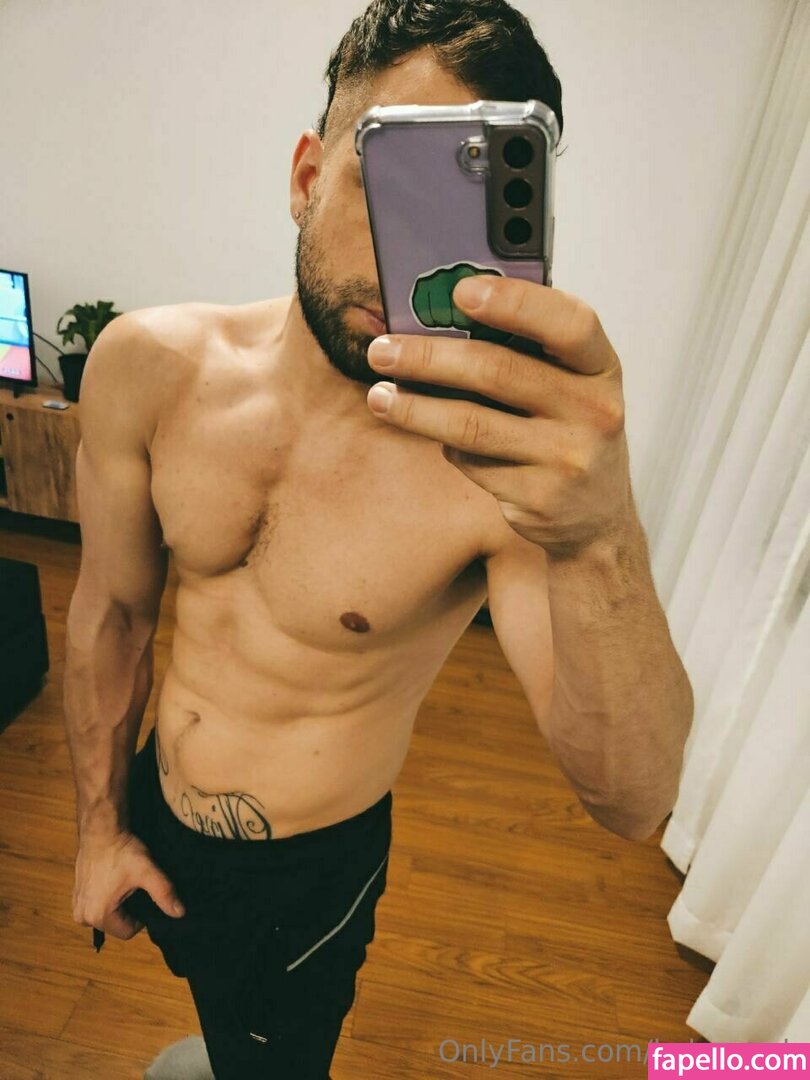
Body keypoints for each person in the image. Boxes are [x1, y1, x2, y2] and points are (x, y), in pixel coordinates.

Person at [64, 1, 691, 1078]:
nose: (409, 249)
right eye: (394, 177)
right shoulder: (146, 368)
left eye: (460, 199)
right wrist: (98, 826)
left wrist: (600, 538)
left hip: (311, 880)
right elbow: (111, 613)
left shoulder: (499, 471)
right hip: (152, 812)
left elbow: (634, 799)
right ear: (308, 175)